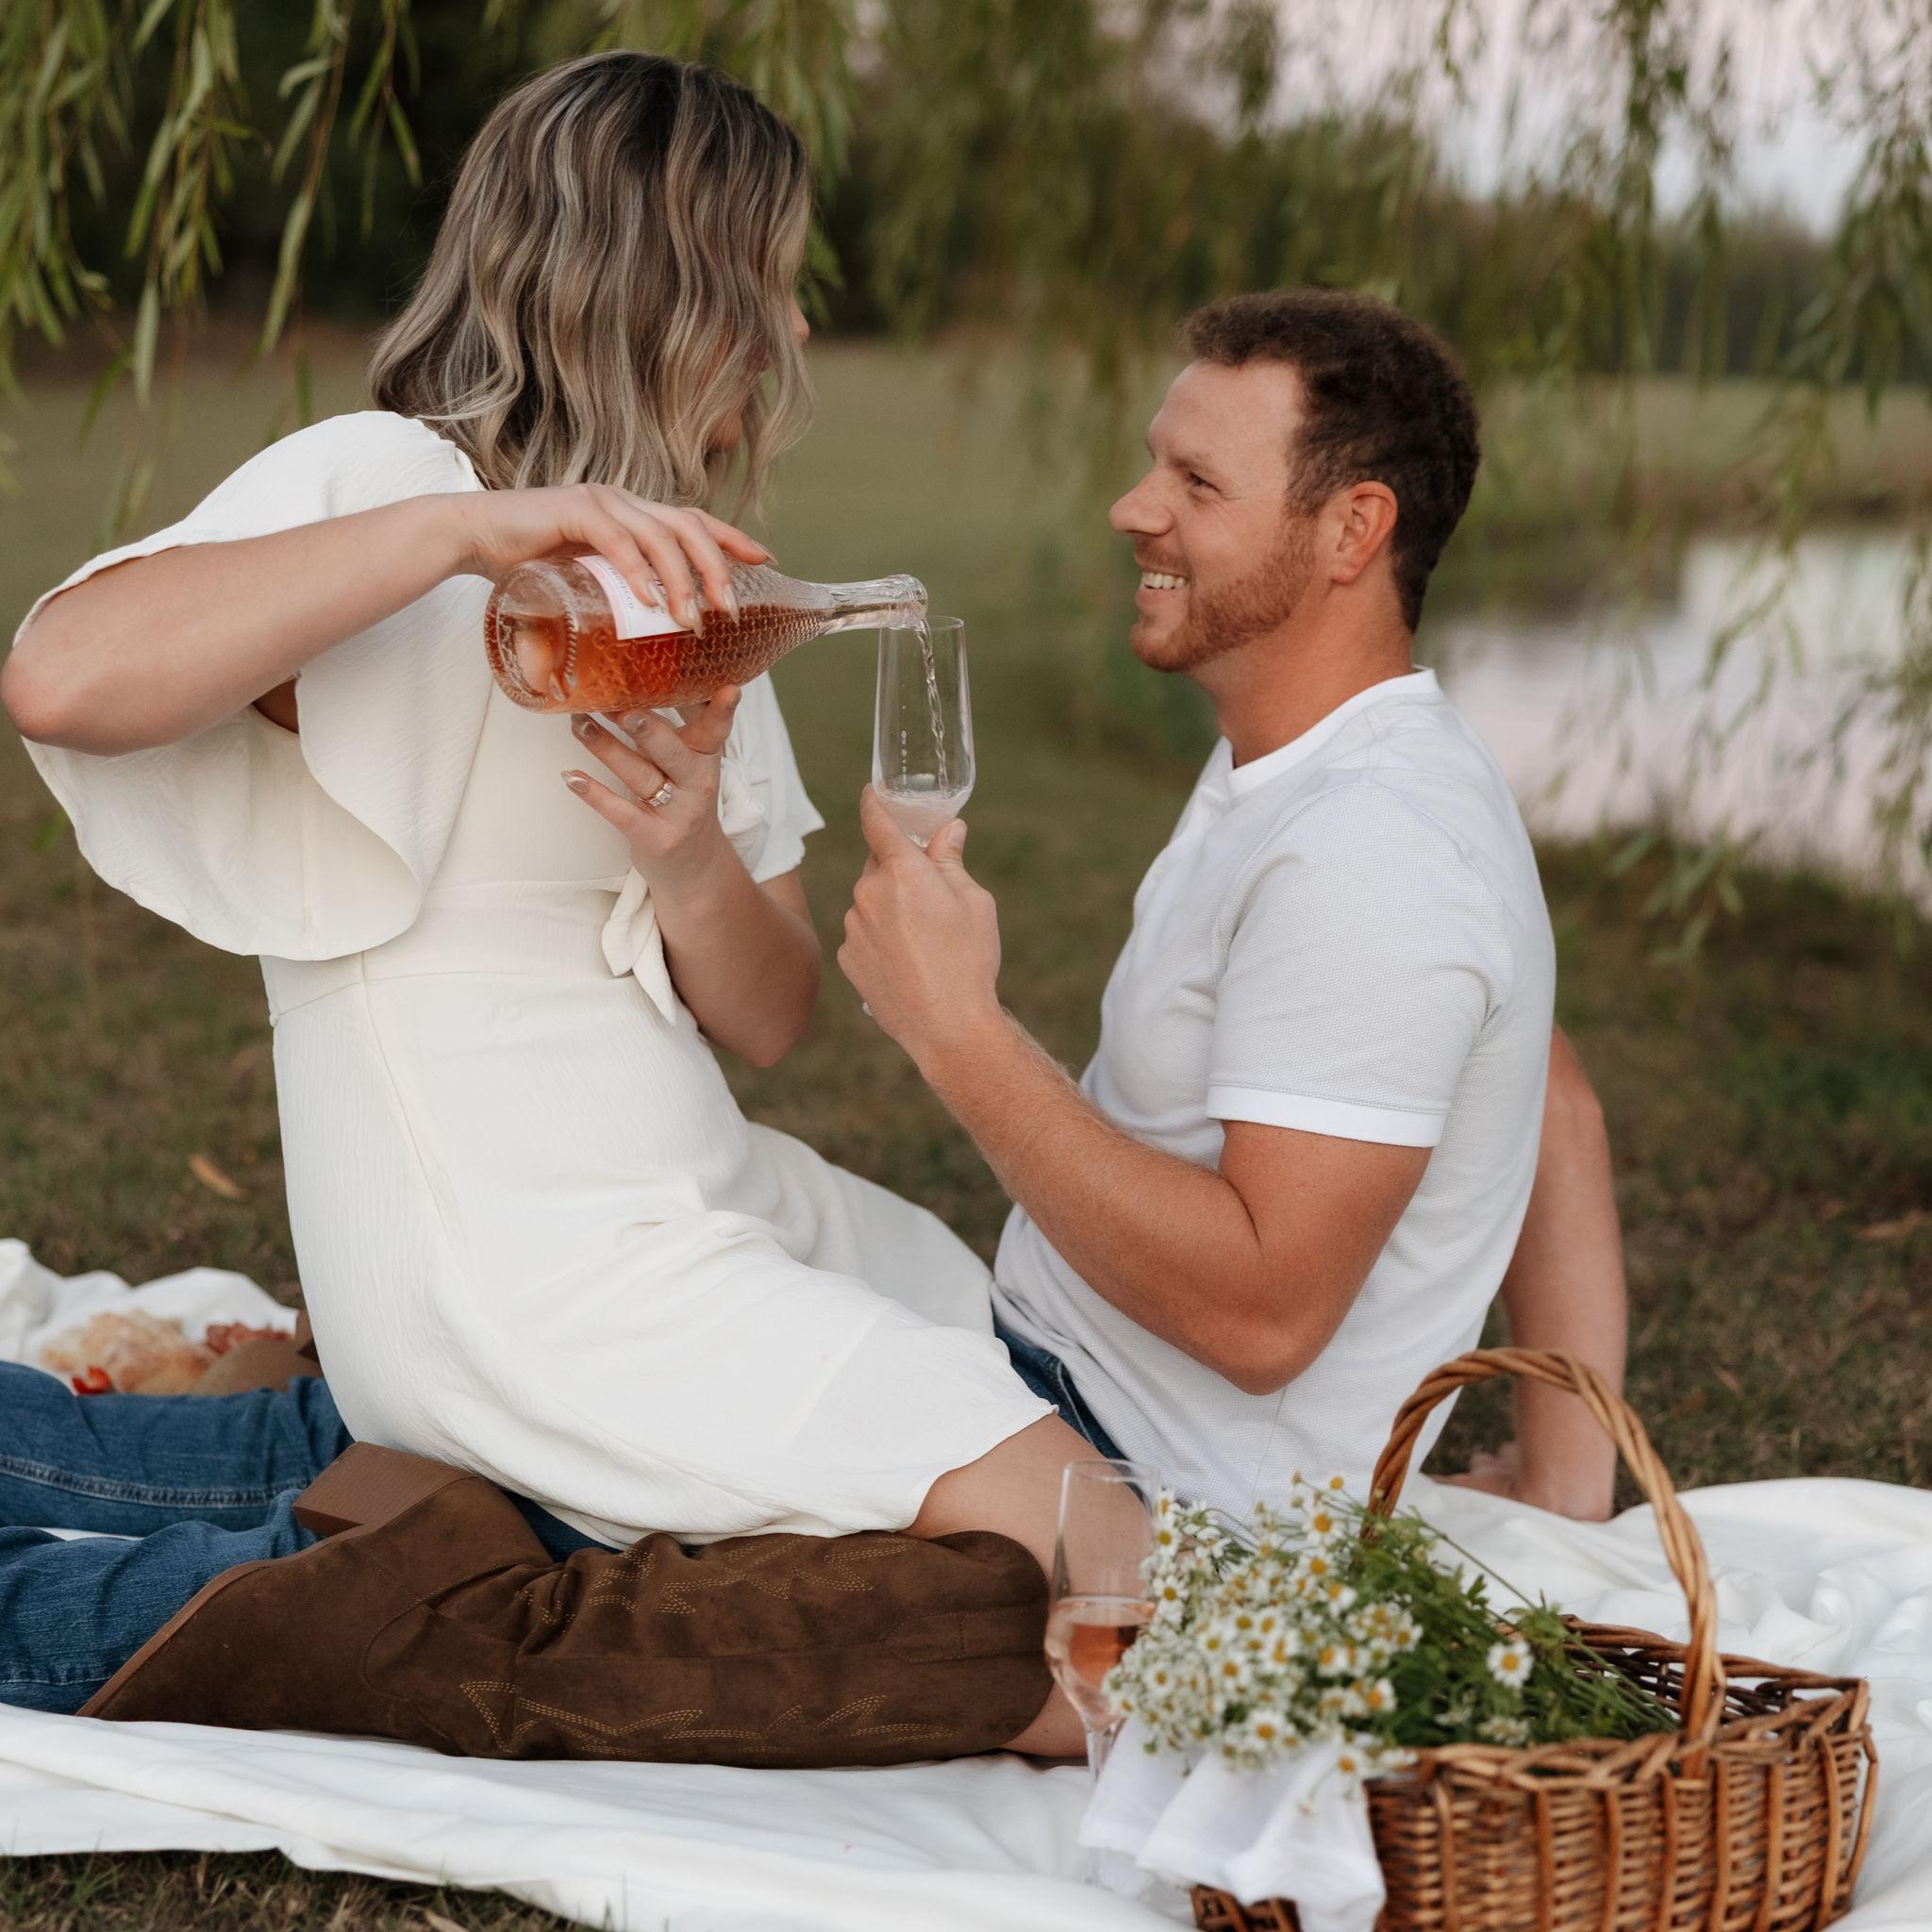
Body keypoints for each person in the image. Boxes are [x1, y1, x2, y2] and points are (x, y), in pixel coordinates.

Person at [1, 278, 1625, 1757]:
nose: (1133, 506)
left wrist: (959, 1035)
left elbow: (1266, 1316)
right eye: (1155, 462)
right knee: (501, 1411)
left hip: (1134, 1496)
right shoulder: (1336, 778)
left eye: (1196, 483)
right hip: (1027, 1361)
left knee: (503, 1564)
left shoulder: (1374, 854)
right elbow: (1532, 1068)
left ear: (1351, 531)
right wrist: (1568, 1463)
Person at [2, 49, 1101, 1758]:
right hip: (519, 1269)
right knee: (1084, 1547)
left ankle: (418, 1519)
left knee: (1011, 1381)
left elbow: (769, 1018)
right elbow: (64, 678)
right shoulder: (386, 487)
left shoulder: (692, 585)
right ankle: (393, 1566)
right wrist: (468, 533)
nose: (797, 332)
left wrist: (687, 855)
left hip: (686, 1193)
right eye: (771, 284)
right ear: (666, 296)